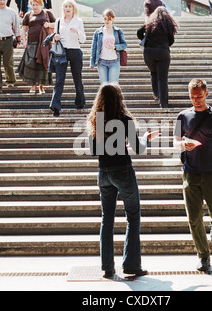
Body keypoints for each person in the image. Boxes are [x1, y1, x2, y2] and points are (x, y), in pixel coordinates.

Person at [87, 83, 160, 278]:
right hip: (123, 171)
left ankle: (107, 267)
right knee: (133, 216)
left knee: (107, 219)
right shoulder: (125, 120)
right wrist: (145, 137)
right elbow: (139, 148)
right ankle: (131, 265)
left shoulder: (97, 121)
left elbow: (95, 150)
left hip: (104, 172)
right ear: (119, 98)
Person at [173, 79, 212, 272]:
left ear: (206, 94)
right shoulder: (182, 116)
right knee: (194, 218)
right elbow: (174, 142)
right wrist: (183, 145)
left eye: (199, 96)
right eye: (192, 97)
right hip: (190, 172)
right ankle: (203, 256)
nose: (195, 100)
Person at [48, 0, 86, 117]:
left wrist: (77, 31)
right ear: (63, 9)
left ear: (73, 8)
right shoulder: (59, 21)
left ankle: (80, 102)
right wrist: (56, 38)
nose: (68, 9)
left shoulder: (78, 21)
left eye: (70, 6)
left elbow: (83, 39)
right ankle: (55, 105)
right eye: (65, 7)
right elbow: (55, 37)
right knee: (59, 79)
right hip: (62, 52)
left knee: (77, 78)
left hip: (75, 51)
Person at [137, 6, 178, 108]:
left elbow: (138, 33)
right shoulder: (168, 25)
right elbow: (171, 41)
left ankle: (156, 94)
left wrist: (145, 39)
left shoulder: (149, 24)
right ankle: (163, 104)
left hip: (149, 52)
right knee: (163, 78)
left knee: (153, 72)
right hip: (163, 52)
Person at [18, 0, 55, 94]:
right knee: (32, 65)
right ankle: (33, 86)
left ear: (41, 4)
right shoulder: (28, 15)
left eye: (37, 4)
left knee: (43, 65)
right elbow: (24, 29)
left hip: (44, 44)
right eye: (33, 4)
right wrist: (24, 41)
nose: (35, 7)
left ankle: (41, 87)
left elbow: (56, 24)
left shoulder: (47, 13)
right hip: (32, 44)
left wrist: (48, 24)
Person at [90, 9, 127, 85]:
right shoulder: (98, 32)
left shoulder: (118, 31)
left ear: (113, 19)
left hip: (114, 61)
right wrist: (92, 62)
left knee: (113, 86)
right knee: (104, 87)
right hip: (102, 62)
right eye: (105, 19)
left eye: (109, 19)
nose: (107, 21)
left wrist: (115, 47)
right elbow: (94, 48)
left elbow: (124, 45)